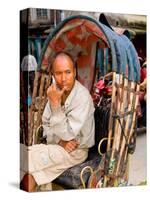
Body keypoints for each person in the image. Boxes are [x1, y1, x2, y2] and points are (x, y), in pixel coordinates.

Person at [20, 52, 95, 192]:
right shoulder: (55, 91)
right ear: (53, 75)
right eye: (58, 73)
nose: (63, 78)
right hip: (56, 145)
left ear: (74, 72)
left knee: (23, 157)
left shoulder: (82, 97)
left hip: (75, 151)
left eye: (68, 72)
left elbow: (69, 134)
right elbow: (46, 124)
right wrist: (58, 141)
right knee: (29, 175)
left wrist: (55, 105)